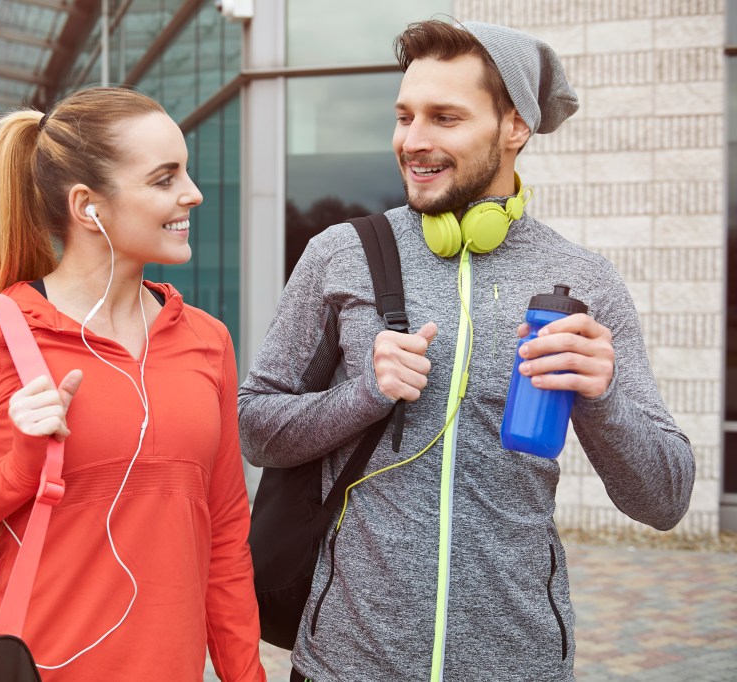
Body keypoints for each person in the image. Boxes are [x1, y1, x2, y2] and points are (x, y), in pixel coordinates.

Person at [237, 20, 695, 682]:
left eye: (444, 117)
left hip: (519, 665)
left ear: (514, 126)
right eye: (405, 116)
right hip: (347, 664)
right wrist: (362, 393)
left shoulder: (587, 283)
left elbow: (666, 499)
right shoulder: (340, 253)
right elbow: (256, 427)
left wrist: (604, 397)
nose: (413, 140)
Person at [0, 87, 266, 681]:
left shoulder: (207, 340)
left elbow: (227, 539)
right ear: (88, 207)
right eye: (165, 178)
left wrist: (245, 676)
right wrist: (17, 472)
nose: (193, 194)